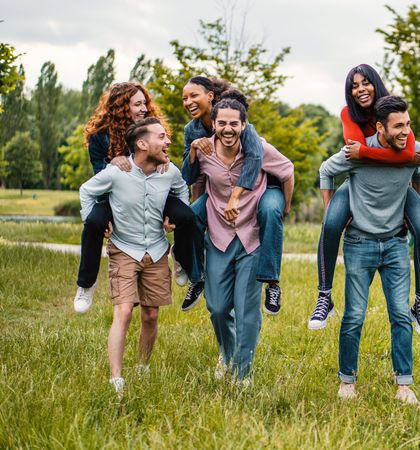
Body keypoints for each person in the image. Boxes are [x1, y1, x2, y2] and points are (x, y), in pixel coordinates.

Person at [308, 64, 420, 336]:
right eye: (354, 85)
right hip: (357, 180)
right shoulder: (349, 114)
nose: (360, 89)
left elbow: (412, 161)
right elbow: (358, 154)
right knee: (330, 225)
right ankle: (324, 296)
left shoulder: (395, 113)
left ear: (376, 84)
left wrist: (415, 211)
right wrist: (332, 209)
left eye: (365, 83)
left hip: (399, 186)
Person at [318, 96, 420, 404]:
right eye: (398, 126)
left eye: (408, 124)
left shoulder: (413, 153)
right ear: (380, 127)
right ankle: (347, 381)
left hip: (395, 243)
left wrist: (413, 212)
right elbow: (326, 170)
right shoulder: (355, 151)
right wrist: (331, 213)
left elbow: (419, 178)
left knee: (401, 316)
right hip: (359, 242)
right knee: (354, 315)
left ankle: (404, 385)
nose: (405, 131)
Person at [79, 117, 189, 397]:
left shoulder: (169, 171)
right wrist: (94, 221)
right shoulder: (117, 172)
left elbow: (181, 190)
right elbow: (86, 191)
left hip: (156, 249)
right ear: (142, 143)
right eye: (162, 137)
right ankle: (116, 379)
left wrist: (174, 216)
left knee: (151, 315)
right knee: (124, 311)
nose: (168, 142)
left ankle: (142, 367)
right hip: (124, 249)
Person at [188, 98, 294, 385]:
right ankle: (228, 353)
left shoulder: (257, 148)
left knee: (247, 312)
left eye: (234, 123)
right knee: (218, 308)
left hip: (251, 237)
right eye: (222, 122)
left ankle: (242, 374)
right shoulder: (205, 150)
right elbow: (193, 181)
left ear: (244, 125)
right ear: (215, 123)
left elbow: (287, 170)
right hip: (219, 235)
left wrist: (283, 208)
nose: (228, 129)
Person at [73, 82, 197, 313]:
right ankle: (86, 284)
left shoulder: (152, 128)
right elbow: (99, 178)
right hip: (114, 194)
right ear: (121, 107)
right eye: (137, 104)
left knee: (186, 216)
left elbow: (164, 153)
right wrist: (112, 163)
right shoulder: (100, 137)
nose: (144, 108)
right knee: (92, 223)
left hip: (154, 189)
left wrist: (163, 160)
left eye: (145, 103)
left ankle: (180, 254)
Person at [180, 77, 288, 316]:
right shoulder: (192, 130)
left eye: (193, 96)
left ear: (210, 96)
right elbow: (193, 175)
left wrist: (235, 198)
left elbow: (254, 161)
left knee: (270, 211)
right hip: (218, 189)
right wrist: (199, 207)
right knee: (189, 218)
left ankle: (272, 283)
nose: (188, 102)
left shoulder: (239, 122)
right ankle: (197, 277)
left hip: (258, 186)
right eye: (184, 98)